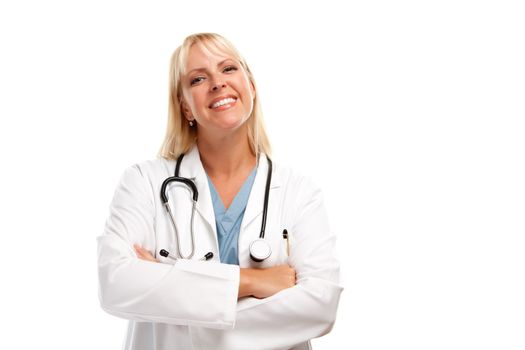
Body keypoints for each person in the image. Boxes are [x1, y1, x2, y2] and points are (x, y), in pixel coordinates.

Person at [97, 32, 343, 350]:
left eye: (228, 69)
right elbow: (116, 284)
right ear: (185, 107)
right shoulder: (144, 181)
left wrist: (175, 288)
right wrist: (251, 281)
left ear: (251, 86)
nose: (217, 83)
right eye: (198, 78)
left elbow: (320, 307)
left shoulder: (299, 193)